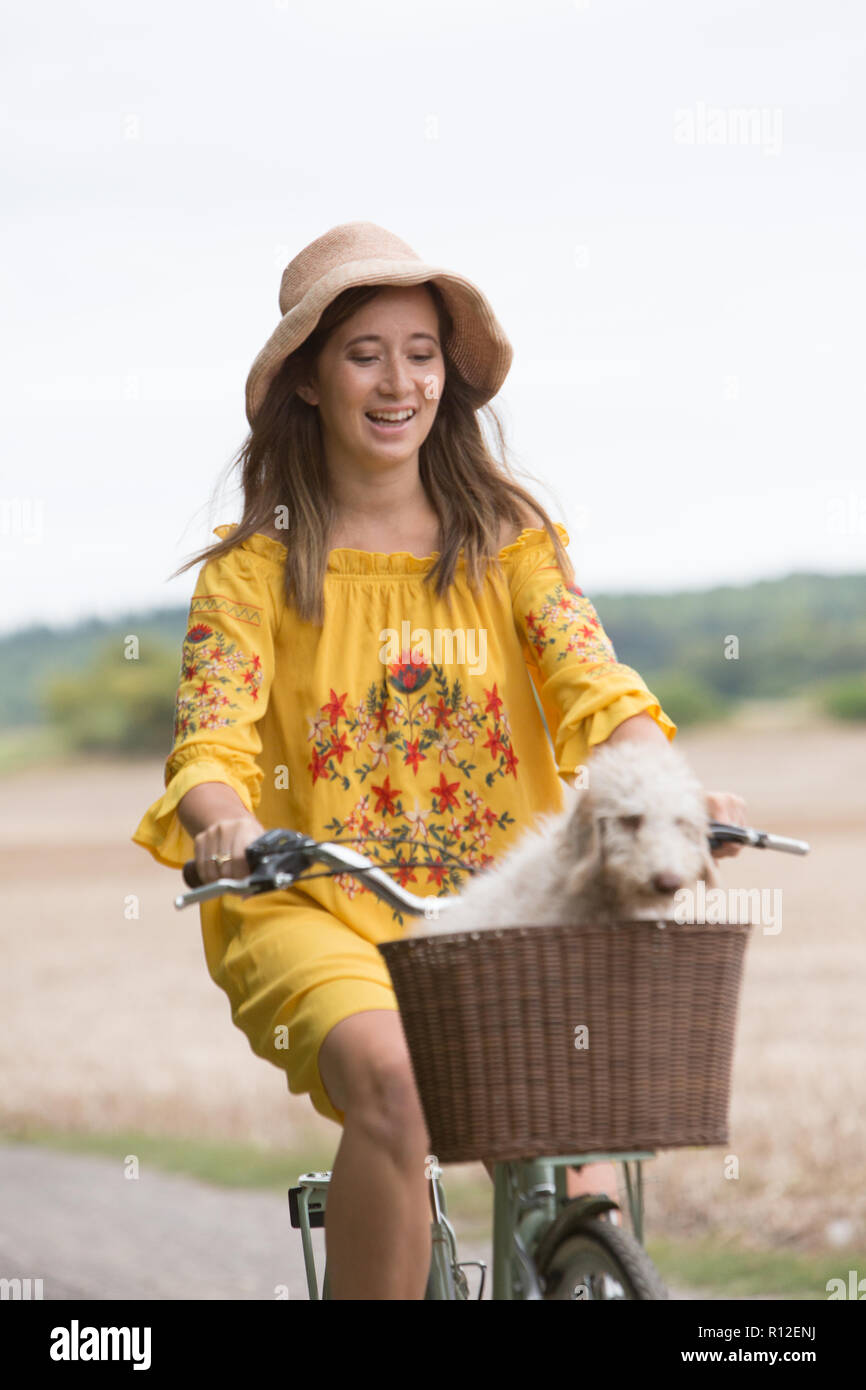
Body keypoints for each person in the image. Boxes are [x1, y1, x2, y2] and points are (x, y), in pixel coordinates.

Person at [131, 221, 746, 1300]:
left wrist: (667, 793)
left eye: (420, 351)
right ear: (311, 379)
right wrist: (224, 821)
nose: (397, 379)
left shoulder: (507, 537)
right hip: (310, 897)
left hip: (498, 902)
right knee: (395, 1083)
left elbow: (595, 690)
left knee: (582, 1114)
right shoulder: (251, 573)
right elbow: (211, 740)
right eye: (364, 350)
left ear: (445, 375)